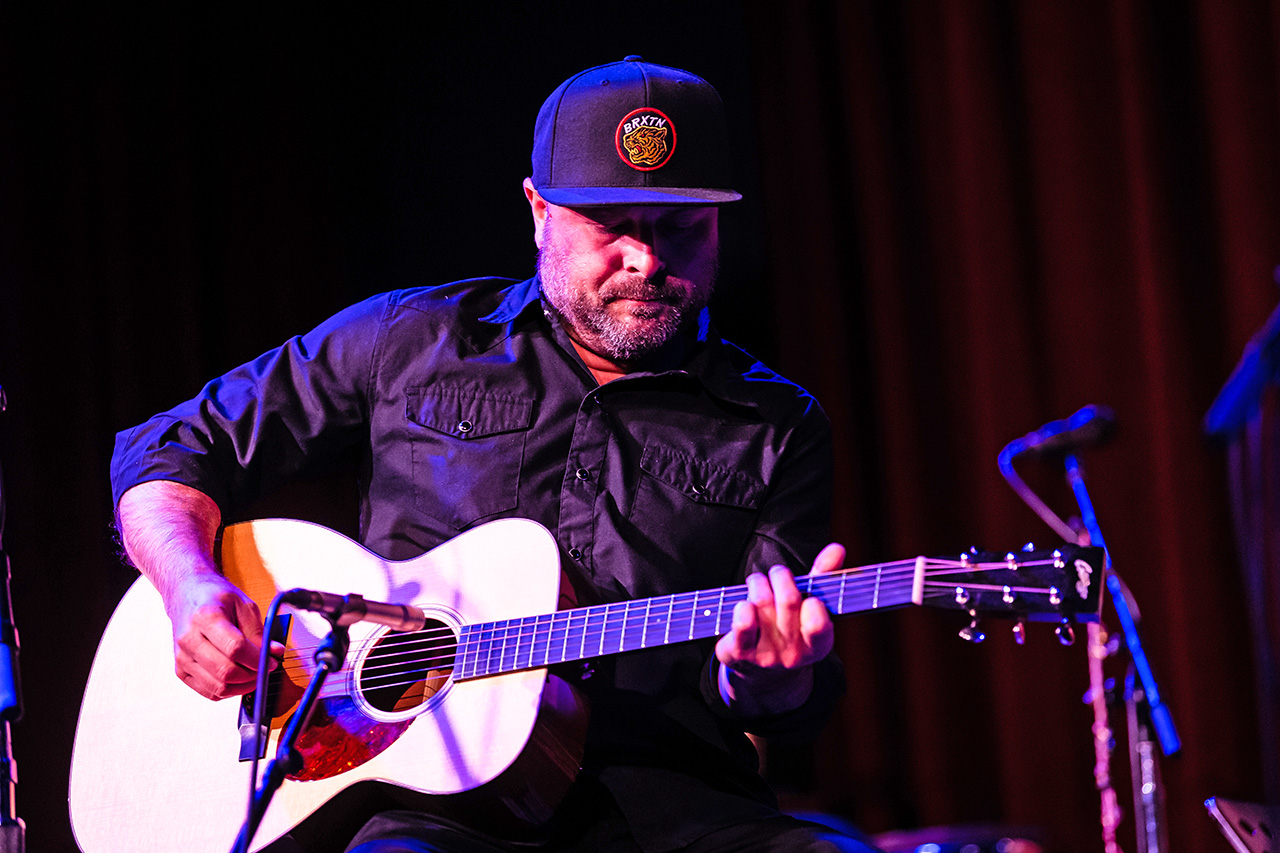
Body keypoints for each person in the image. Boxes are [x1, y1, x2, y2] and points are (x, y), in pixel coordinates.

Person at [111, 57, 879, 853]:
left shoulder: (779, 423)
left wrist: (770, 675)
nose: (648, 262)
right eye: (613, 227)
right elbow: (169, 446)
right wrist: (189, 585)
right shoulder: (408, 340)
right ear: (538, 208)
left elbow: (788, 694)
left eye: (681, 227)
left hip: (677, 810)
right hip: (428, 808)